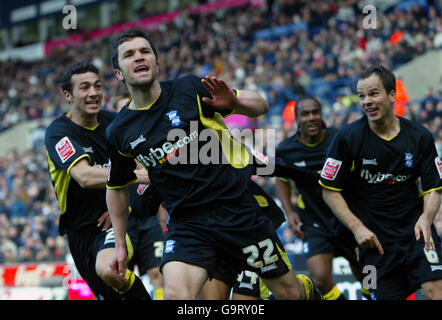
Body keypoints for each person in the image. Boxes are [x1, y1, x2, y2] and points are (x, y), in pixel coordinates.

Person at [105, 28, 321, 300]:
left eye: (145, 51)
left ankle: (306, 289)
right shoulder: (119, 131)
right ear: (118, 74)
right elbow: (115, 187)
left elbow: (260, 104)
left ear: (157, 63)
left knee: (292, 295)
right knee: (175, 296)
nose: (139, 57)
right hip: (187, 223)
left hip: (238, 212)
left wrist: (236, 102)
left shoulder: (190, 89)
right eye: (129, 55)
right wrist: (120, 246)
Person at [319, 65, 442, 300]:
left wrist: (426, 218)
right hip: (373, 244)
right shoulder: (347, 139)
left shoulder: (420, 137)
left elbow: (433, 188)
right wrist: (357, 229)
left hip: (417, 234)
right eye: (362, 96)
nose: (367, 101)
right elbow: (329, 191)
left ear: (392, 94)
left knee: (436, 290)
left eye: (373, 93)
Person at [45, 61, 150, 300]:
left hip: (115, 222)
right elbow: (84, 176)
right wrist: (135, 176)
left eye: (97, 86)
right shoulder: (58, 132)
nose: (93, 93)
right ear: (68, 95)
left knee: (109, 270)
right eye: (84, 88)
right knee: (110, 294)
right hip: (79, 234)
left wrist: (123, 205)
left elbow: (145, 164)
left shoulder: (116, 123)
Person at [275, 96, 369, 300]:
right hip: (314, 219)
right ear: (297, 119)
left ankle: (372, 296)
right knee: (320, 278)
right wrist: (289, 212)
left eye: (315, 112)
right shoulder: (285, 149)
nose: (311, 118)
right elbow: (281, 179)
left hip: (348, 217)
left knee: (368, 273)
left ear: (321, 114)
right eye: (305, 114)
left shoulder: (340, 140)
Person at [112, 94, 166, 300]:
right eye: (120, 108)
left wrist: (162, 219)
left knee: (157, 273)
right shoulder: (111, 145)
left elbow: (159, 185)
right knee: (123, 275)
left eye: (128, 106)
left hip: (149, 221)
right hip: (124, 223)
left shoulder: (148, 142)